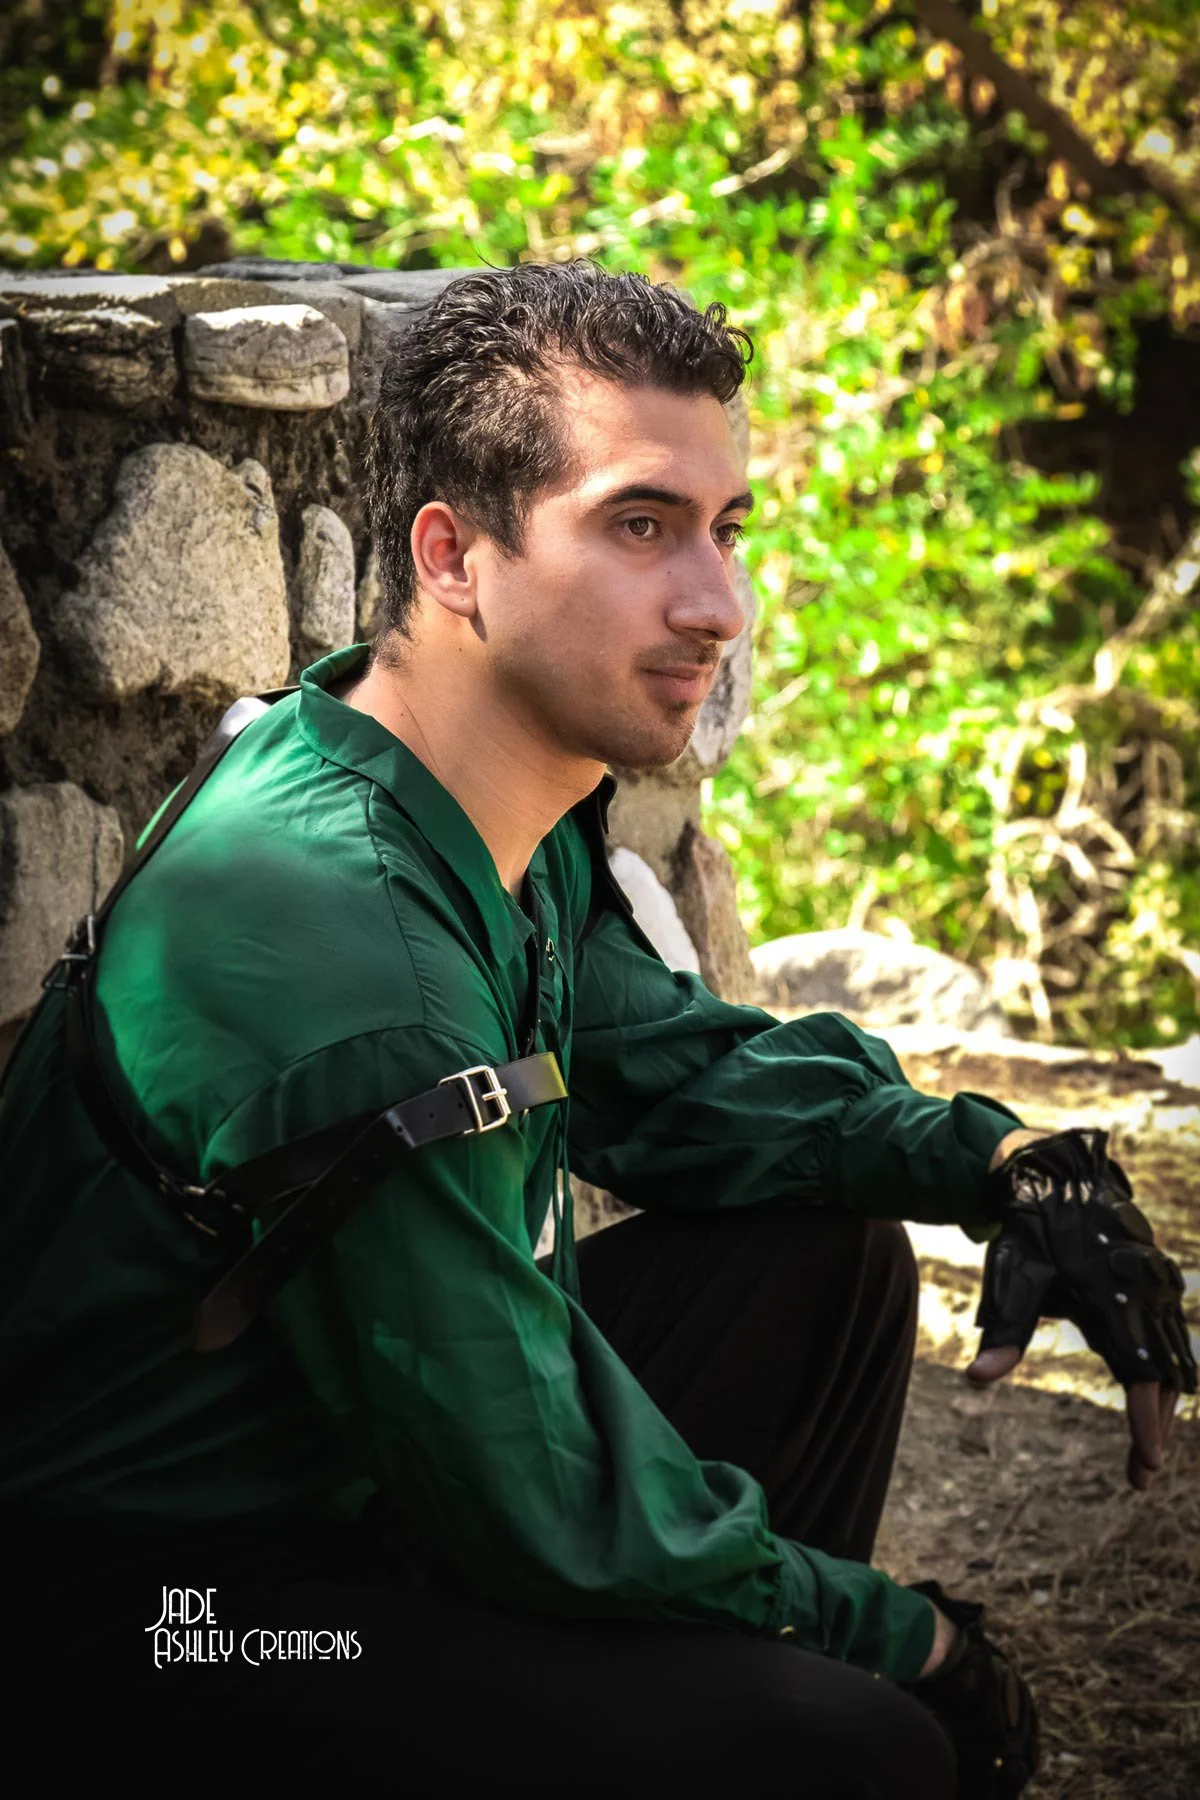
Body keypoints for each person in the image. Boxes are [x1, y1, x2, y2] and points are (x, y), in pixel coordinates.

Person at [0, 260, 1191, 1792]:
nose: (720, 606)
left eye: (725, 530)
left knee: (825, 1263)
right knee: (863, 1749)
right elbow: (536, 1504)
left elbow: (680, 1080)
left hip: (348, 1481)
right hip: (174, 1621)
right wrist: (903, 1641)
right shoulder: (350, 961)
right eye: (640, 526)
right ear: (455, 556)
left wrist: (1010, 1159)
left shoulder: (460, 793)